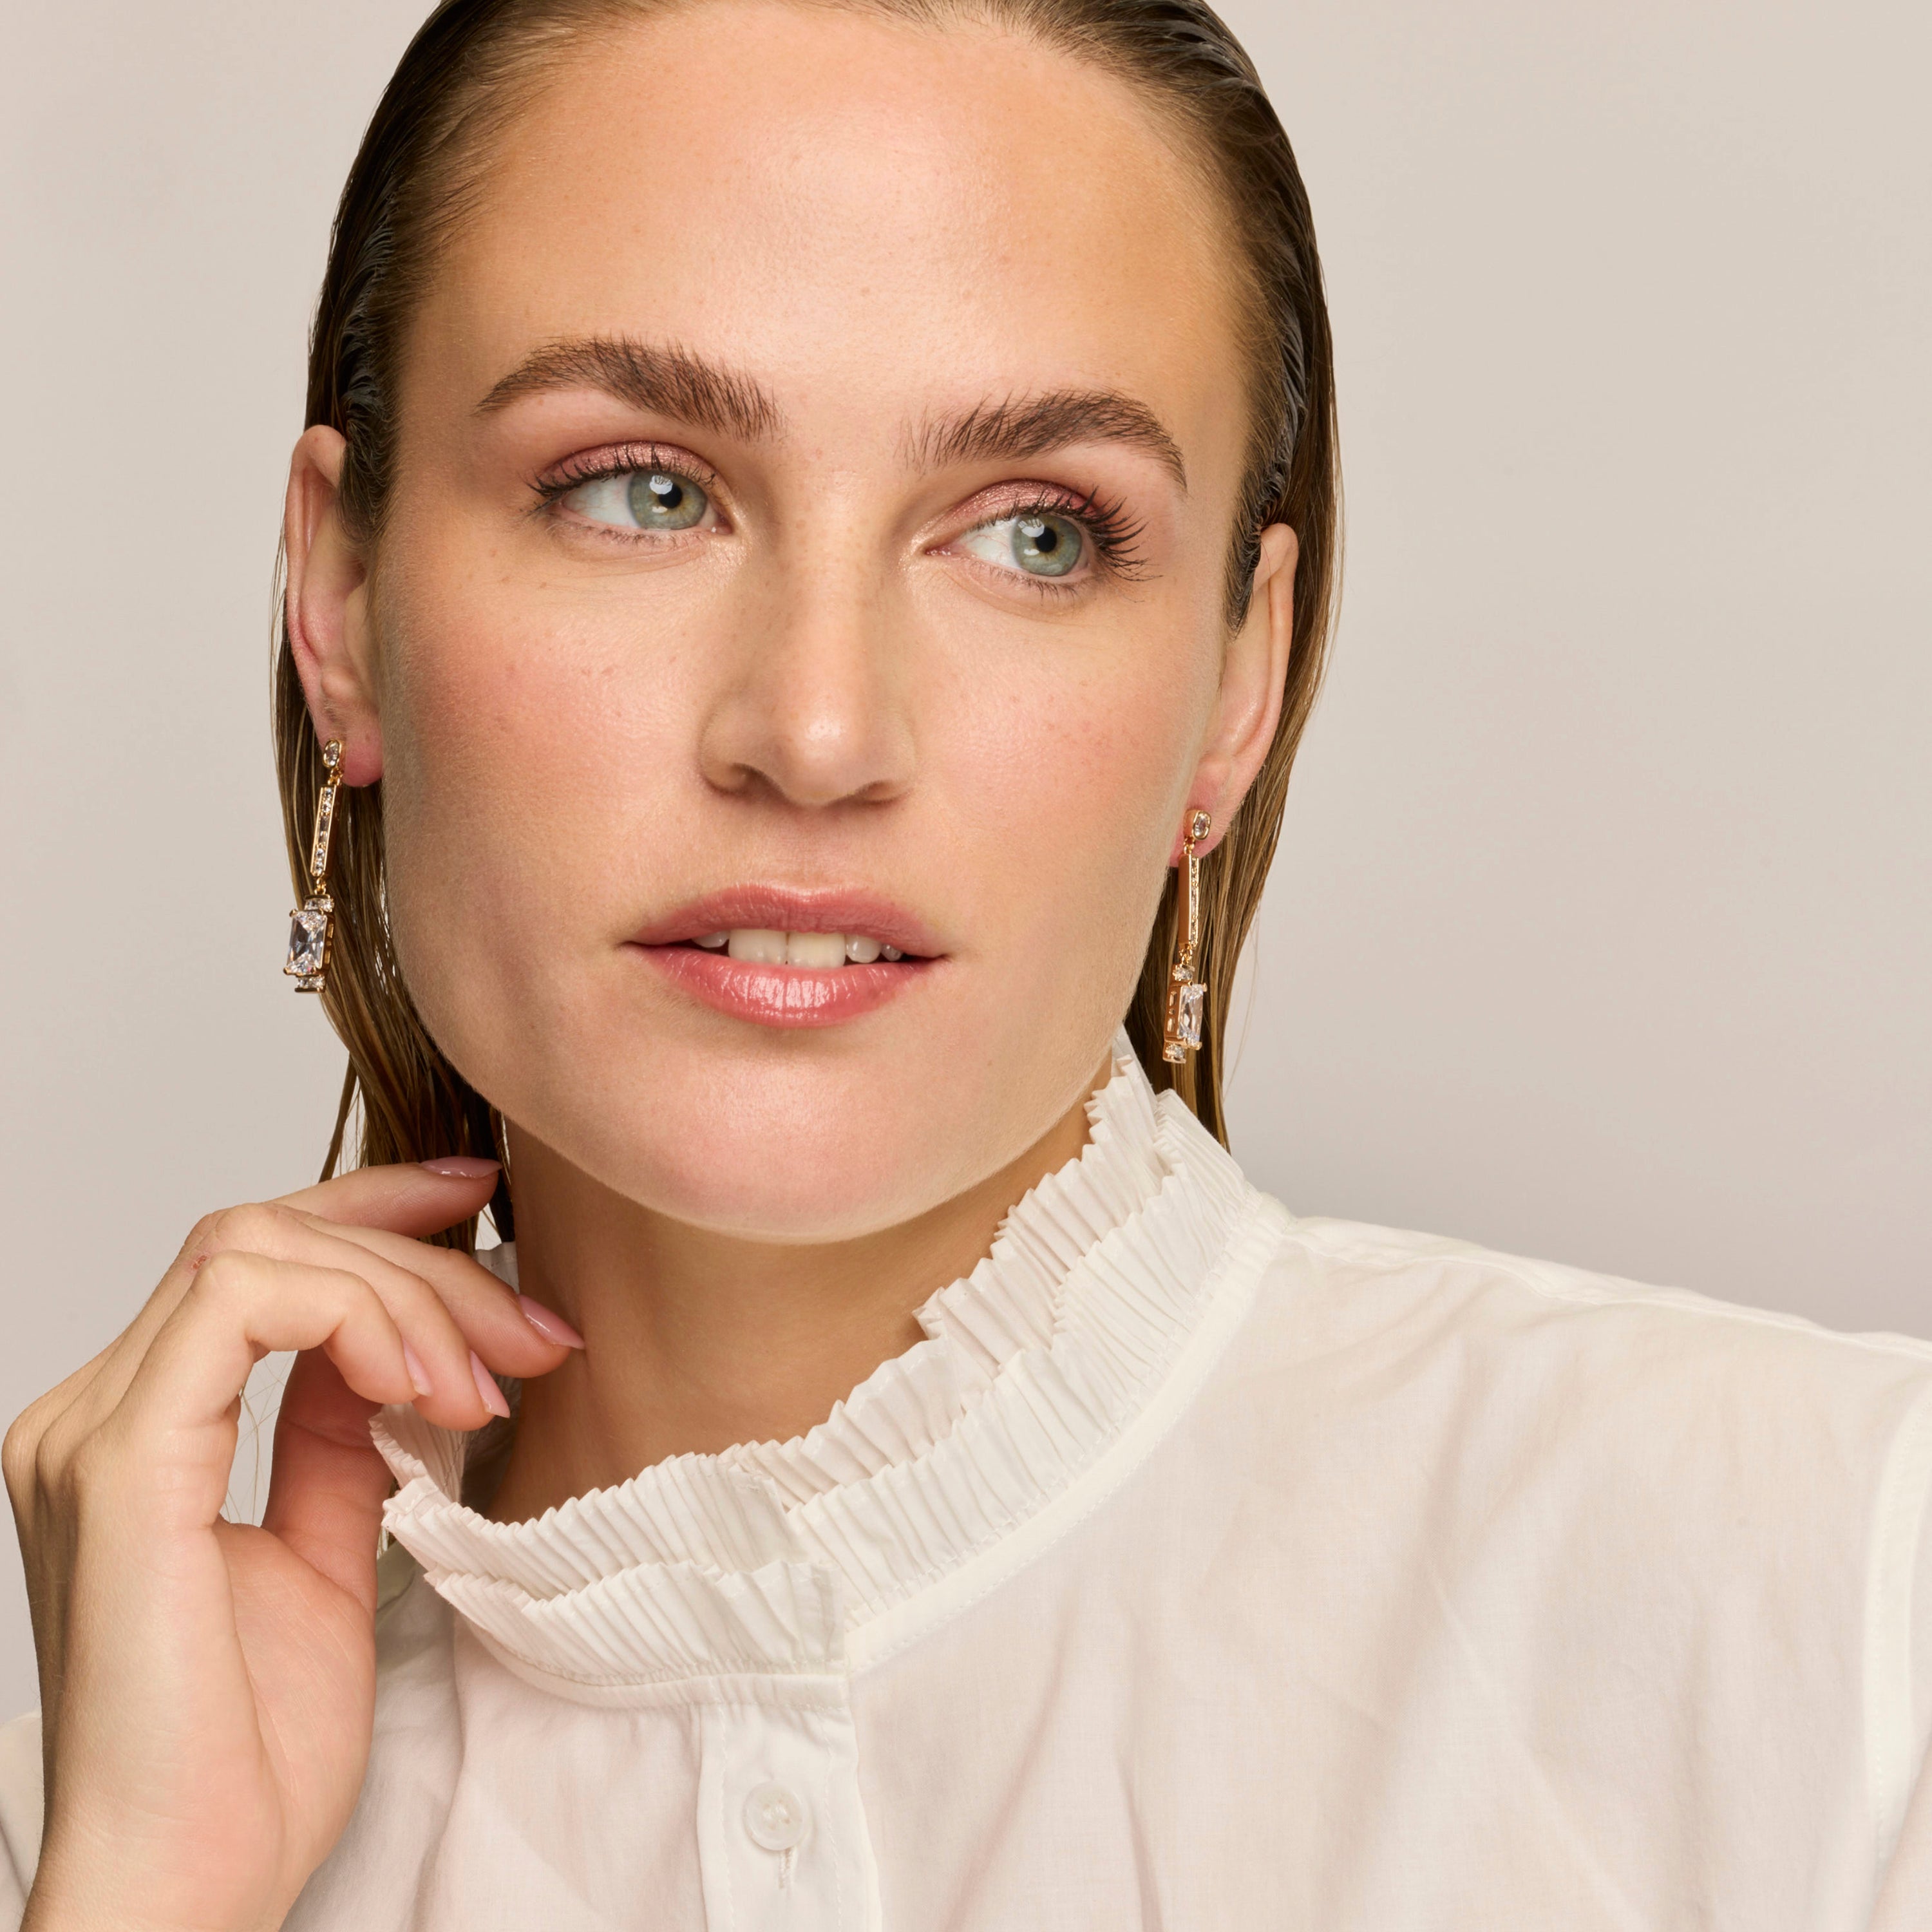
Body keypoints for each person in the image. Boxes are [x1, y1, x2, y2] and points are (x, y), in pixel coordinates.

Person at [3, 1, 1928, 1926]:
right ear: (340, 601)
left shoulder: (1842, 1601)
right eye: (642, 490)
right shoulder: (127, 1809)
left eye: (1035, 537)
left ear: (1236, 687)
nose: (818, 731)